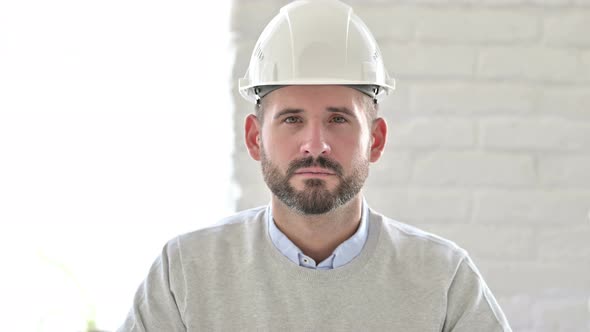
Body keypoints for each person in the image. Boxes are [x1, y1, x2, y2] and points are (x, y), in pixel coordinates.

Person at [118, 0, 512, 331]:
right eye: (292, 119)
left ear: (375, 140)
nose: (315, 145)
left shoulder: (444, 279)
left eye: (338, 119)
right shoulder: (186, 271)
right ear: (255, 138)